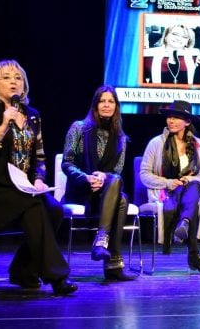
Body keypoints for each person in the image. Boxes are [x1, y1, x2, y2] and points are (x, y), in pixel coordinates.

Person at [0, 59, 77, 294]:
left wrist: (40, 179)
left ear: (24, 86)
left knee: (54, 209)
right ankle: (57, 277)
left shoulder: (33, 116)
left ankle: (22, 271)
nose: (13, 81)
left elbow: (39, 156)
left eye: (18, 77)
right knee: (33, 206)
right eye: (6, 77)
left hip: (19, 186)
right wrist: (3, 126)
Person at [61, 85, 137, 281]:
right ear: (95, 105)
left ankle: (102, 242)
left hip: (105, 191)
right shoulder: (79, 128)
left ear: (116, 107)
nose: (106, 105)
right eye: (102, 101)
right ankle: (113, 263)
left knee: (117, 186)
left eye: (111, 101)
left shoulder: (120, 138)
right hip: (80, 190)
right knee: (121, 200)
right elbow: (66, 163)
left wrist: (103, 178)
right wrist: (87, 178)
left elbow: (116, 171)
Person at [140, 100, 200, 273]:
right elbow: (144, 175)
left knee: (194, 185)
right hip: (164, 192)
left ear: (187, 122)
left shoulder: (198, 146)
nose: (171, 121)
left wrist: (188, 180)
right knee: (193, 200)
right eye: (169, 117)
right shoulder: (157, 143)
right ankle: (193, 252)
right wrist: (168, 182)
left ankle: (184, 222)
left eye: (176, 117)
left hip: (190, 191)